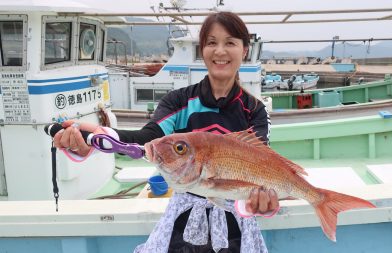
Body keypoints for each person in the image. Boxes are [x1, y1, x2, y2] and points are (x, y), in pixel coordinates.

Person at [54, 11, 278, 253]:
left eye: (230, 43)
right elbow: (146, 140)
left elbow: (262, 166)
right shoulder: (178, 101)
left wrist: (265, 201)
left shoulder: (254, 110)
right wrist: (97, 137)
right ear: (202, 50)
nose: (220, 51)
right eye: (211, 42)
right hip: (182, 224)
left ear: (244, 50)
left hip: (237, 226)